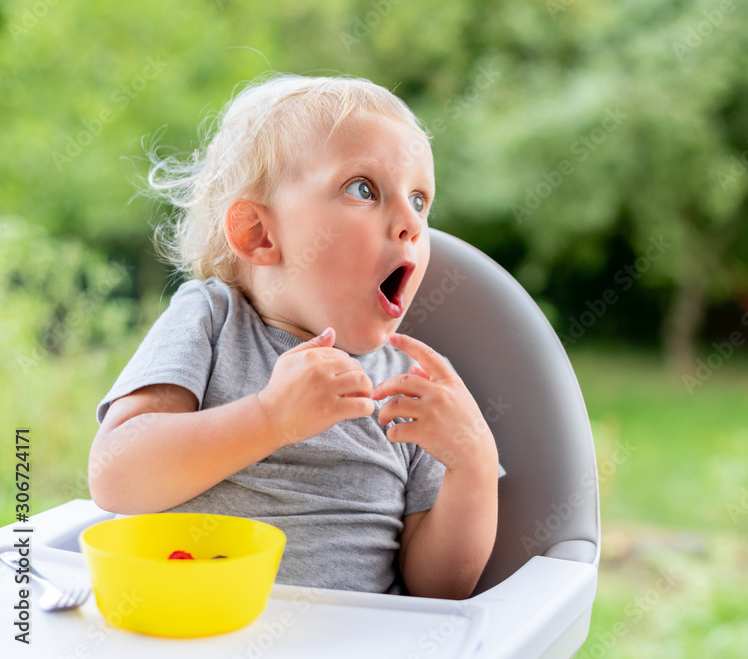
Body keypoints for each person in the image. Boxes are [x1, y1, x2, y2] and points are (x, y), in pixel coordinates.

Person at [88, 74, 501, 600]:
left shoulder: (407, 389)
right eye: (363, 189)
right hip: (191, 628)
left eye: (420, 200)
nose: (411, 225)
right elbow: (114, 475)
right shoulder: (212, 321)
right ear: (259, 234)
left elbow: (438, 590)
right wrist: (270, 418)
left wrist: (474, 465)